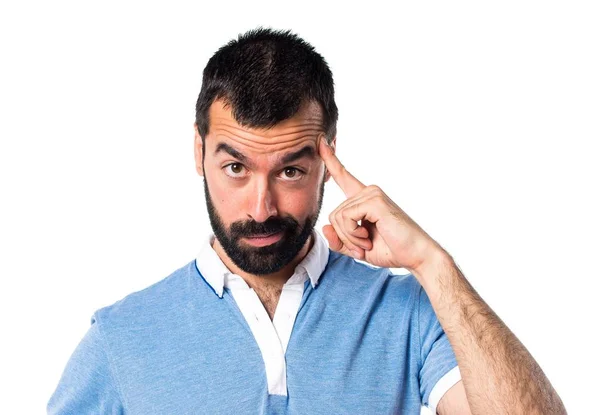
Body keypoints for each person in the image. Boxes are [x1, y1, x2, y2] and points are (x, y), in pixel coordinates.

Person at [47, 27, 566, 415]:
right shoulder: (123, 336)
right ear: (198, 151)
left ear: (328, 161)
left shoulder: (407, 313)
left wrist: (433, 264)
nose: (260, 208)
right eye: (235, 168)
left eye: (291, 170)